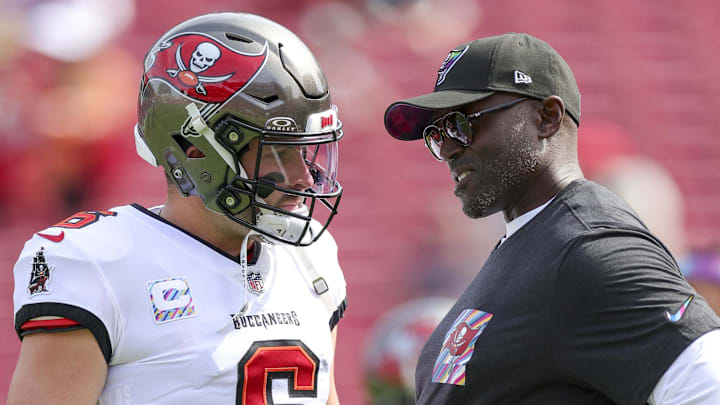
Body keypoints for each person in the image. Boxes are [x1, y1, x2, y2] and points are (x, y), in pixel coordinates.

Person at [9, 12, 347, 405]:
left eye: (304, 151)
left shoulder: (311, 258)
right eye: (278, 151)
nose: (305, 178)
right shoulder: (97, 264)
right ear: (195, 149)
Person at [383, 33, 720, 404]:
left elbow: (708, 384)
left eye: (463, 123)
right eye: (438, 133)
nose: (447, 149)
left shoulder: (592, 245)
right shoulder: (535, 239)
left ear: (547, 117)